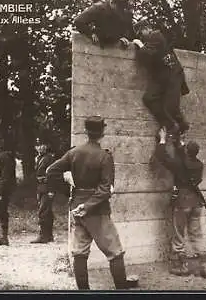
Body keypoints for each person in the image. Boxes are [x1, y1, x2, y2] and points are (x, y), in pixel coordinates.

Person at [46, 116, 138, 290]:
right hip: (97, 211)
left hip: (76, 208)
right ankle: (122, 290)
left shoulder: (74, 152)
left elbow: (50, 171)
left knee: (80, 253)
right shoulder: (104, 156)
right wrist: (87, 206)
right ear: (102, 132)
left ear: (86, 131)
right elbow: (105, 189)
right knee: (115, 252)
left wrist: (69, 192)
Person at [156, 127, 206, 278]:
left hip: (183, 201)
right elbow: (185, 157)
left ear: (187, 151)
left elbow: (162, 157)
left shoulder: (179, 163)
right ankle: (204, 265)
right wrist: (180, 143)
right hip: (197, 202)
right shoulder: (199, 164)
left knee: (179, 233)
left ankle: (182, 266)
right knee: (196, 235)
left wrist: (162, 139)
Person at [132, 20, 190, 137]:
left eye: (141, 33)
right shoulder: (151, 41)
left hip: (173, 75)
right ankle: (170, 125)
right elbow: (144, 59)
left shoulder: (156, 35)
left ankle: (181, 125)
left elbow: (147, 54)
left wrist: (139, 44)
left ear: (147, 29)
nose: (140, 36)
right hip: (161, 77)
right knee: (149, 98)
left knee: (170, 107)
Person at [30, 136, 57, 243]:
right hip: (40, 187)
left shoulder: (49, 158)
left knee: (43, 211)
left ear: (46, 146)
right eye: (37, 145)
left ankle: (43, 235)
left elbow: (53, 175)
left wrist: (51, 190)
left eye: (42, 145)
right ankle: (49, 235)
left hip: (47, 187)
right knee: (47, 211)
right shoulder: (38, 158)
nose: (40, 147)